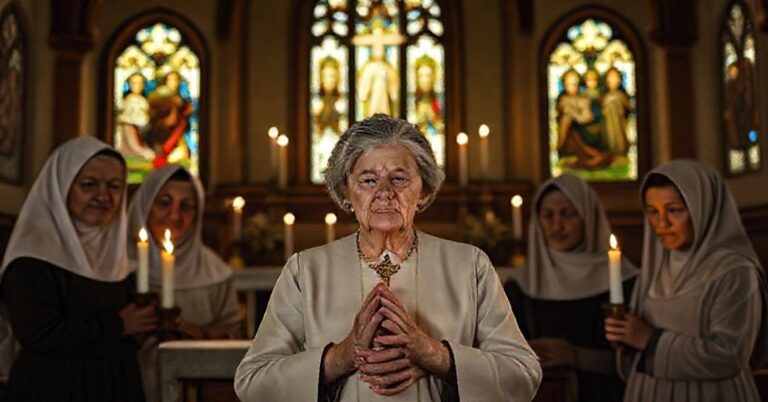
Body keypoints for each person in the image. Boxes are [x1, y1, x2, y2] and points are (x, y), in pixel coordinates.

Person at [235, 115, 541, 401]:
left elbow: (523, 376)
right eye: (368, 180)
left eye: (400, 179)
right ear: (345, 192)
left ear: (423, 190)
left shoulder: (469, 265)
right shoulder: (306, 270)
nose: (384, 192)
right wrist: (341, 357)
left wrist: (436, 357)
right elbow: (252, 383)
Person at [0, 136, 156, 402]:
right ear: (61, 187)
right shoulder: (32, 259)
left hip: (116, 385)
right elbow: (39, 333)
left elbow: (132, 333)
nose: (103, 196)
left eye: (115, 186)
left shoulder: (122, 259)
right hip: (51, 387)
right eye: (88, 184)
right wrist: (118, 325)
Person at [604, 160, 767, 402]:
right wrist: (625, 336)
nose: (662, 223)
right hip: (651, 390)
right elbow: (638, 342)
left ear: (704, 209)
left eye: (674, 210)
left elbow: (729, 355)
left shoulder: (735, 270)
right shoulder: (656, 266)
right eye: (653, 211)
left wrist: (650, 340)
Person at [506, 173, 638, 402]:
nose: (557, 225)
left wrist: (577, 356)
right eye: (548, 215)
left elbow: (636, 361)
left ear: (588, 217)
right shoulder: (520, 284)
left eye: (568, 214)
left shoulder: (625, 280)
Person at [128, 164, 241, 401]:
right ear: (145, 204)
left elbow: (234, 335)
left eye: (186, 206)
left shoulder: (216, 272)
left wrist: (202, 333)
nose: (175, 215)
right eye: (164, 202)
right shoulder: (120, 266)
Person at [556, 69, 612, 170]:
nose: (571, 87)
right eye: (568, 84)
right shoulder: (563, 99)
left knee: (568, 119)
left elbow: (586, 118)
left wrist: (572, 112)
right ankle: (562, 148)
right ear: (564, 84)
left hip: (587, 130)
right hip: (573, 132)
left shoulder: (583, 99)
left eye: (574, 84)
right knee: (566, 119)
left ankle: (593, 157)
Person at [116, 72, 156, 160]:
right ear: (129, 85)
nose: (137, 86)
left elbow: (146, 115)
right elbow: (125, 115)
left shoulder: (143, 100)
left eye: (140, 83)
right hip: (129, 127)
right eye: (134, 83)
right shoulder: (128, 99)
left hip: (141, 128)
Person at [601, 67, 630, 154]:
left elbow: (628, 106)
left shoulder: (621, 94)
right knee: (611, 136)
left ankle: (621, 150)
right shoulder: (605, 95)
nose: (613, 80)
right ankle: (612, 149)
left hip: (620, 120)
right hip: (608, 120)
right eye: (611, 78)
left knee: (620, 137)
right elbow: (603, 107)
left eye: (615, 78)